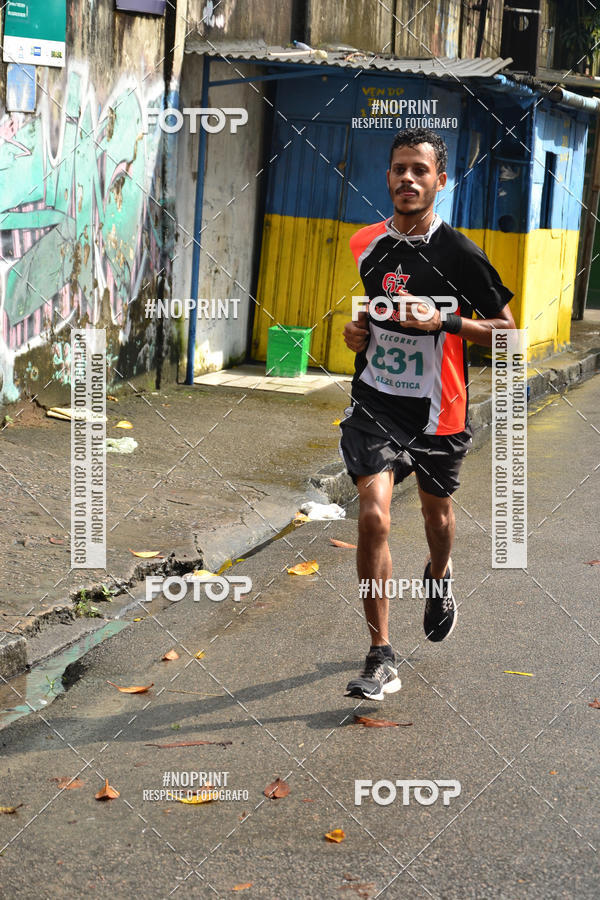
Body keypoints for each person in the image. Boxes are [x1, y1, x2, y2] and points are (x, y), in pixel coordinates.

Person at [341, 127, 516, 701]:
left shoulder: (460, 254)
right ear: (387, 177)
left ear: (440, 181)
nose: (408, 179)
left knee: (436, 520)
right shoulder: (367, 244)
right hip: (376, 403)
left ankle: (439, 576)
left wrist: (443, 323)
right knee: (373, 518)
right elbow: (370, 316)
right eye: (399, 169)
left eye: (420, 170)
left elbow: (510, 334)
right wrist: (357, 335)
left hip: (440, 411)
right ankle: (380, 653)